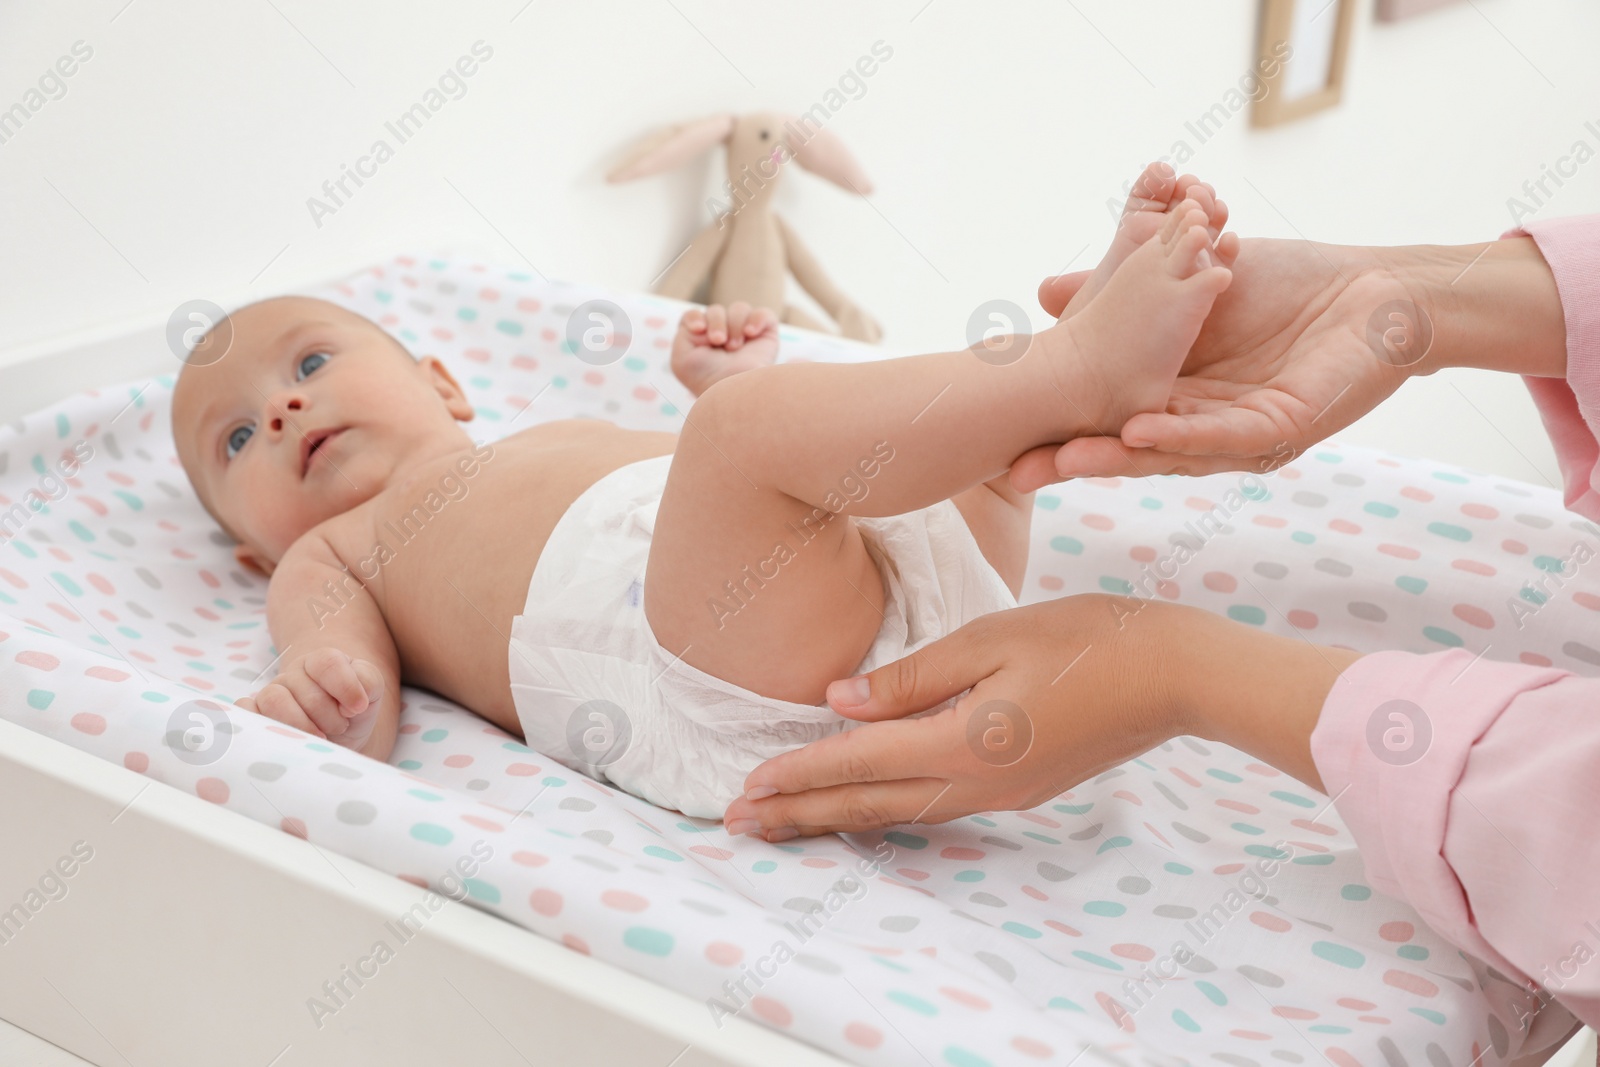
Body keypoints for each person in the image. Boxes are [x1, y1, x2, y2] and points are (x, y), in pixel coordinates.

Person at [722, 208, 1600, 1038]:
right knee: (934, 468)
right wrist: (1395, 292)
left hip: (707, 630)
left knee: (739, 435)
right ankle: (1072, 372)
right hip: (807, 595)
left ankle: (1074, 370)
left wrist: (1168, 666)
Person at [173, 163, 1236, 819]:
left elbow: (728, 509)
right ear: (253, 552)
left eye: (308, 365)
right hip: (696, 675)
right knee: (732, 437)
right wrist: (326, 688)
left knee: (937, 462)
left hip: (892, 602)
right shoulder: (331, 550)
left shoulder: (540, 438)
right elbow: (334, 658)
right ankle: (1076, 369)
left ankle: (1041, 411)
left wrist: (738, 400)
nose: (280, 413)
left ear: (441, 383)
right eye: (234, 440)